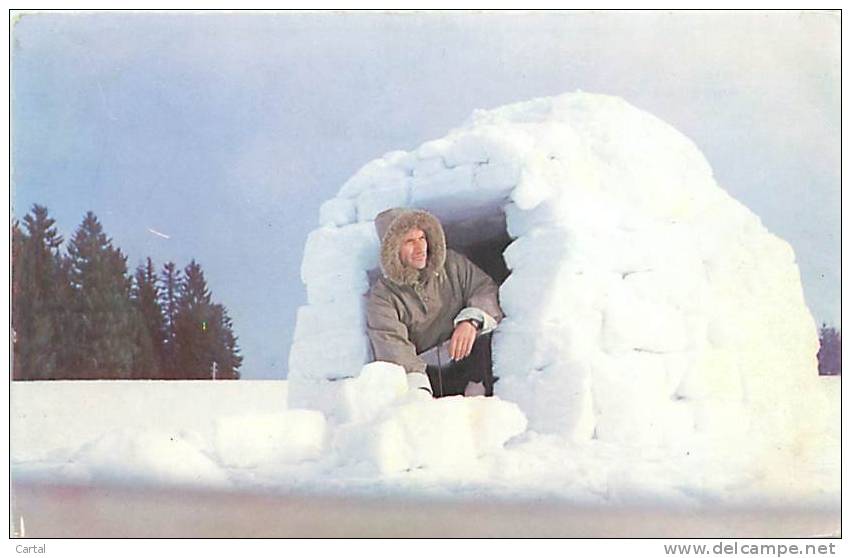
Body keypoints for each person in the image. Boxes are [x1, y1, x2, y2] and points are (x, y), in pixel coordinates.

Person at [366, 208, 503, 398]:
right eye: (409, 241)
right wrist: (420, 392)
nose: (420, 247)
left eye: (421, 238)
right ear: (393, 249)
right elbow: (392, 346)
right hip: (430, 376)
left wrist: (470, 322)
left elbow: (484, 289)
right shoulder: (383, 297)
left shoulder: (453, 264)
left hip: (474, 361)